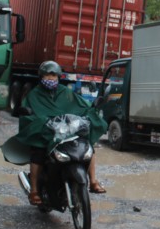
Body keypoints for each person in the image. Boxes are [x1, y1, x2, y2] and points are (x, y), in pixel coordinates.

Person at [14, 61, 107, 205]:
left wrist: (92, 110)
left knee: (88, 146)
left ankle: (93, 181)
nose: (50, 79)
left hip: (66, 130)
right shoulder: (34, 95)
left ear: (58, 77)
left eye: (53, 75)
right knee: (37, 152)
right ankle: (34, 191)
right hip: (47, 132)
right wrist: (39, 122)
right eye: (47, 75)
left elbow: (82, 105)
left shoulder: (66, 92)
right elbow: (29, 116)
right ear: (41, 77)